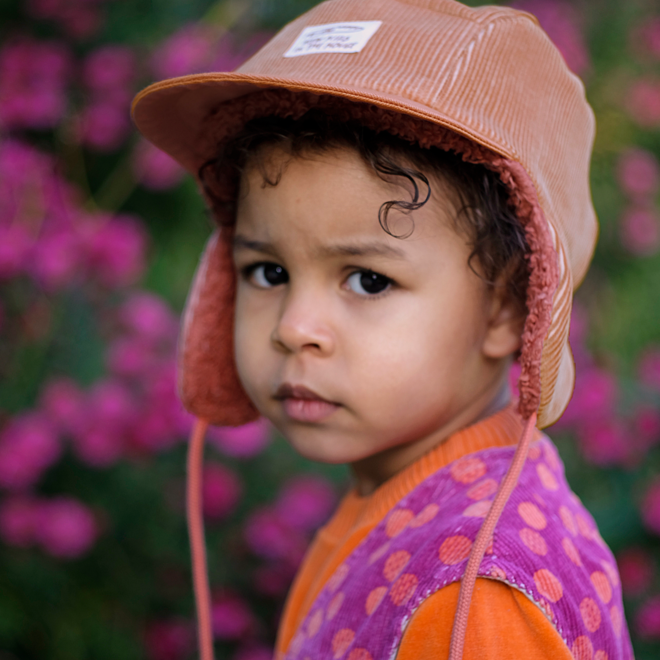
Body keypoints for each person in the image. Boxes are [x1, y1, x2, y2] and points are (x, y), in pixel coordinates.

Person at [132, 0, 635, 658]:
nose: (294, 328)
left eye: (369, 280)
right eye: (268, 271)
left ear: (510, 308)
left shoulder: (474, 599)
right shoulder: (410, 496)